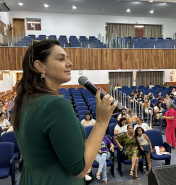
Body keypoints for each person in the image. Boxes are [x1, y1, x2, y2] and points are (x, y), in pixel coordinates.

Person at [12, 40, 117, 185]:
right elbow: (80, 169)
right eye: (61, 58)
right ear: (40, 66)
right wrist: (102, 121)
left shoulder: (24, 100)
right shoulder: (55, 105)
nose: (70, 63)